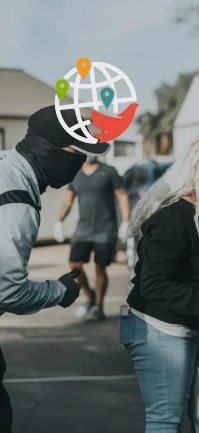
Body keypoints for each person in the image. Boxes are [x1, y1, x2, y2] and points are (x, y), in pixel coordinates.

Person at [120, 133, 199, 433]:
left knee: (173, 416)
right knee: (165, 420)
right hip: (159, 329)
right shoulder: (172, 216)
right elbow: (154, 284)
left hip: (179, 328)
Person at [0, 105, 107, 432]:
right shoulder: (17, 201)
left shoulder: (6, 164)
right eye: (78, 153)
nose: (81, 162)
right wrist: (59, 291)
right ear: (49, 149)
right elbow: (7, 290)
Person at [53, 156, 130, 321]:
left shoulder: (109, 171)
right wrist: (59, 221)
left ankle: (99, 307)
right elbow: (68, 201)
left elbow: (122, 196)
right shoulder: (76, 173)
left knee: (100, 267)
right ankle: (90, 296)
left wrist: (125, 222)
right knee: (74, 264)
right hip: (83, 230)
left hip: (106, 229)